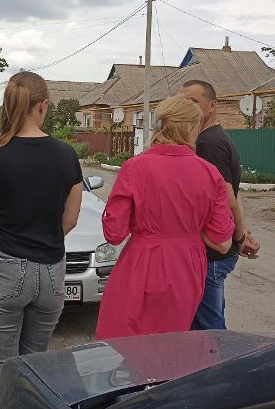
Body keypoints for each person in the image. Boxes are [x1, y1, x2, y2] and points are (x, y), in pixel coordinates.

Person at [0, 71, 83, 408]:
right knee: (35, 373)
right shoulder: (66, 155)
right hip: (51, 273)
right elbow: (71, 219)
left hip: (3, 267)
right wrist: (43, 237)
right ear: (43, 106)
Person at [94, 95, 235, 340]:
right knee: (170, 350)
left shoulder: (134, 167)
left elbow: (114, 233)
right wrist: (188, 226)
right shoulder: (210, 173)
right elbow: (222, 241)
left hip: (141, 262)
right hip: (185, 268)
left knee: (124, 348)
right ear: (192, 127)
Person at [179, 80, 261, 330]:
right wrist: (241, 233)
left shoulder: (207, 144)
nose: (187, 108)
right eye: (183, 102)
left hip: (212, 254)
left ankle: (217, 369)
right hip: (216, 250)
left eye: (193, 102)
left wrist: (238, 239)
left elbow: (227, 197)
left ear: (212, 106)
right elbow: (235, 194)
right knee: (206, 323)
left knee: (208, 329)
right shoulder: (212, 138)